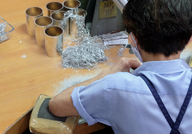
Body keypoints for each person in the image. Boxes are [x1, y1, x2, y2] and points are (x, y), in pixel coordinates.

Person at [49, 0, 192, 133]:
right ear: (189, 39)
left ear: (133, 40)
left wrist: (106, 75)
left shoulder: (115, 88)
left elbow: (56, 105)